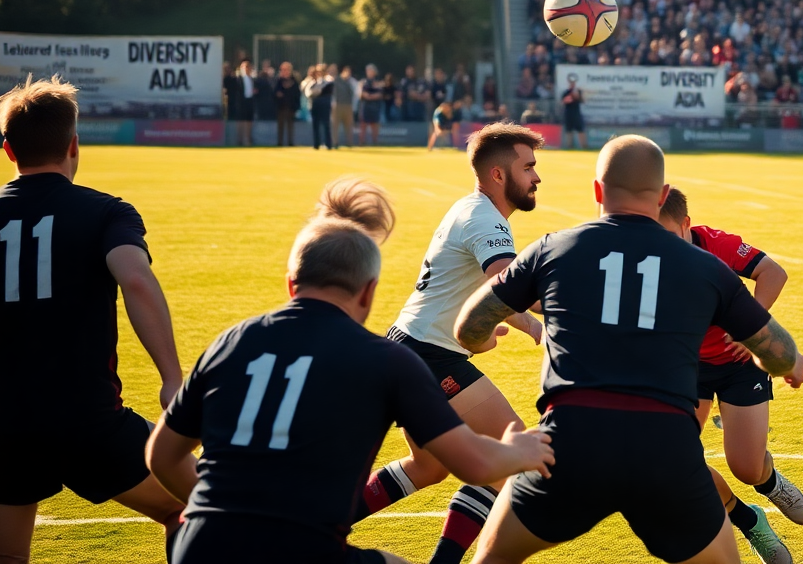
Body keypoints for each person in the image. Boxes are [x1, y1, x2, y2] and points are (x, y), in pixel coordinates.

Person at [145, 179, 554, 564]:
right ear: (369, 290)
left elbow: (160, 455)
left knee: (426, 466)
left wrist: (222, 511)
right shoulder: (385, 362)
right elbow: (476, 464)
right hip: (303, 549)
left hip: (201, 543)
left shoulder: (231, 342)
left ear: (291, 284)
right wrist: (521, 451)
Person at [455, 135, 803, 564]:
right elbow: (779, 352)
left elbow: (468, 326)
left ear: (598, 192)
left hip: (570, 444)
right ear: (662, 197)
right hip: (664, 452)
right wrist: (789, 365)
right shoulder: (706, 267)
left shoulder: (553, 248)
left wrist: (483, 340)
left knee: (491, 559)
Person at [0, 77, 187, 563]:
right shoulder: (106, 212)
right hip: (89, 421)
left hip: (5, 424)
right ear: (74, 144)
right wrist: (171, 379)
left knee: (9, 556)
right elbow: (136, 281)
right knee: (191, 510)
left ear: (8, 151)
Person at [353, 124, 547, 564]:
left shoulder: (470, 208)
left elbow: (481, 291)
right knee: (509, 459)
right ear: (499, 175)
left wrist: (478, 334)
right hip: (427, 357)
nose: (537, 178)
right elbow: (507, 283)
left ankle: (322, 528)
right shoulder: (484, 219)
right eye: (529, 167)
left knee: (428, 467)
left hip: (413, 347)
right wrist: (543, 325)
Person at [658, 188, 803, 564]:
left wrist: (748, 326)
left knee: (746, 468)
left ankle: (768, 481)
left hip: (738, 365)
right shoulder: (647, 258)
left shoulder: (715, 244)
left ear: (687, 225)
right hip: (685, 367)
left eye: (668, 234)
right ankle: (748, 519)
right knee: (672, 461)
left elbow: (774, 272)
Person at [304, 64, 335, 150]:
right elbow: (308, 92)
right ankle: (316, 144)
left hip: (324, 104)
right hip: (315, 104)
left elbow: (324, 91)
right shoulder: (313, 82)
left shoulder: (328, 81)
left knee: (326, 124)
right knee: (315, 125)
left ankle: (328, 144)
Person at [228, 59, 257, 147]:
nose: (246, 69)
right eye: (244, 67)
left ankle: (248, 138)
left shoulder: (253, 79)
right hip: (241, 102)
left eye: (248, 67)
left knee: (249, 120)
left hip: (250, 101)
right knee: (240, 121)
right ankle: (239, 139)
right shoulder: (238, 79)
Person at [273, 62, 300, 147]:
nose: (285, 71)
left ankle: (290, 142)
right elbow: (274, 92)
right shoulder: (278, 81)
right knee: (280, 125)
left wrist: (296, 106)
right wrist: (278, 94)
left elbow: (297, 94)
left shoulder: (294, 81)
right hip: (281, 106)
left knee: (290, 125)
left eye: (286, 69)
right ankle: (280, 142)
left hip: (291, 106)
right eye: (283, 70)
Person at [358, 64, 384, 146]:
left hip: (375, 106)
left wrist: (370, 96)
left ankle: (375, 142)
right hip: (365, 106)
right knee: (363, 124)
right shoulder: (363, 82)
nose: (368, 72)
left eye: (370, 70)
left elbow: (380, 94)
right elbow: (361, 93)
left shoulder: (379, 82)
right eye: (367, 71)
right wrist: (368, 96)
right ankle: (362, 142)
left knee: (375, 125)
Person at [333, 65, 358, 149]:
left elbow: (356, 93)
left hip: (348, 105)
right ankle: (335, 142)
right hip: (338, 105)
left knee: (349, 125)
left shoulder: (351, 81)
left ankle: (349, 142)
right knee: (335, 125)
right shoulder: (336, 80)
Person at [561, 74, 587, 150]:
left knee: (580, 129)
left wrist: (577, 95)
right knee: (569, 130)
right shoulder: (566, 92)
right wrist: (570, 97)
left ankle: (584, 146)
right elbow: (563, 102)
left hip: (576, 113)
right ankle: (570, 146)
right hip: (568, 113)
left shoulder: (578, 91)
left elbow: (582, 101)